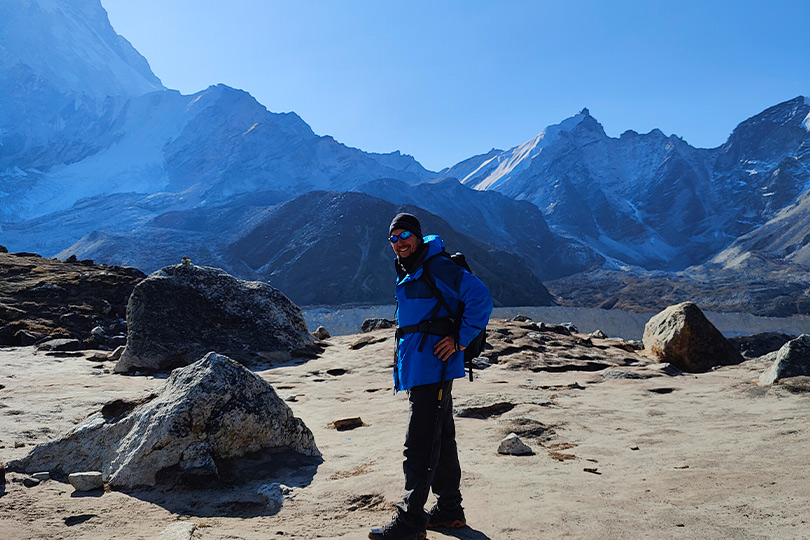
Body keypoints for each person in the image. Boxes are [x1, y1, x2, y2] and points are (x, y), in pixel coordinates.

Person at [369, 213, 493, 540]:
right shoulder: (413, 267)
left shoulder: (437, 266)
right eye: (393, 239)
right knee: (442, 437)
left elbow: (480, 298)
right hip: (421, 366)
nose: (399, 243)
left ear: (418, 236)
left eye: (405, 235)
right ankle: (450, 509)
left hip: (434, 367)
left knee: (420, 442)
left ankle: (410, 522)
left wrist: (461, 339)